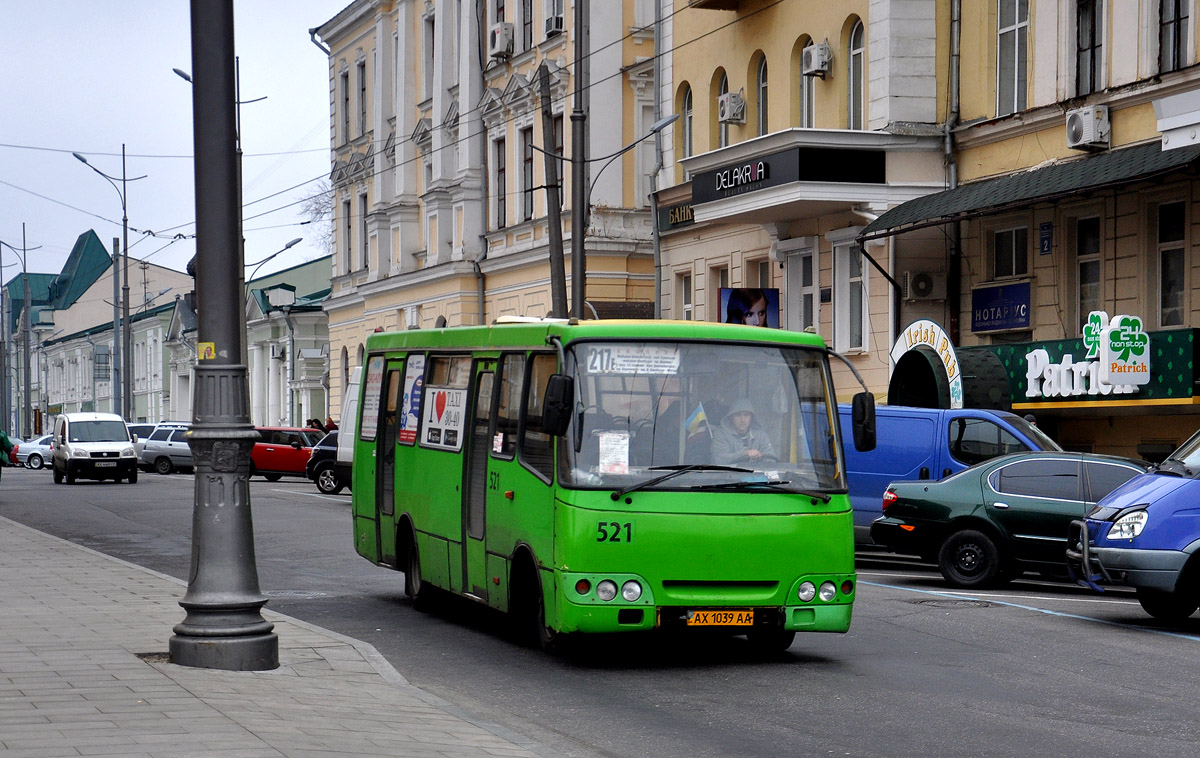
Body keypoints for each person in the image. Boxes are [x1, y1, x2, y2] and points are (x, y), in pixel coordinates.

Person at [711, 398, 776, 466]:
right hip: (728, 476)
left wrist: (761, 457)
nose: (742, 420)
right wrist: (745, 454)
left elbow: (772, 459)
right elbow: (718, 460)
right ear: (731, 417)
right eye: (738, 415)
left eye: (746, 415)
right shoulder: (721, 434)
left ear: (751, 417)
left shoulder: (760, 434)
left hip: (756, 476)